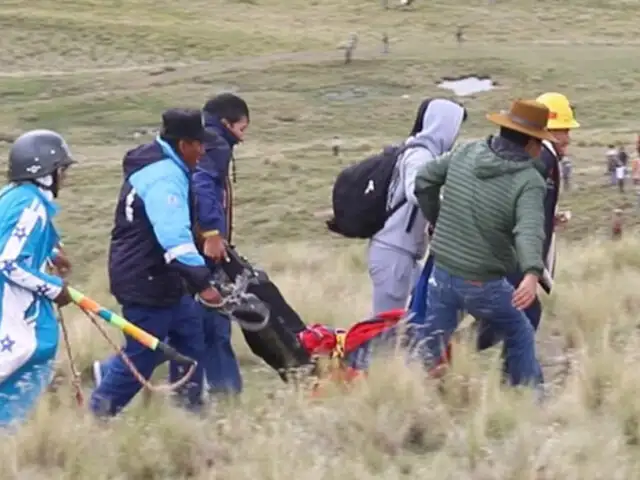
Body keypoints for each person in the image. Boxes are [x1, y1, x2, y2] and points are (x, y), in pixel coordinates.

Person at [90, 109, 222, 417]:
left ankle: (189, 412)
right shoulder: (164, 177)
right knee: (145, 353)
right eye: (198, 144)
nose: (202, 151)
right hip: (144, 279)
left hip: (163, 278)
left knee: (190, 337)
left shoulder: (166, 166)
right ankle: (98, 413)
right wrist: (203, 283)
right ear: (183, 144)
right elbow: (173, 237)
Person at [413, 99, 551, 387]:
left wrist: (437, 218)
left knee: (432, 341)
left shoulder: (466, 151)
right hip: (481, 281)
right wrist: (531, 272)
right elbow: (528, 230)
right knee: (519, 329)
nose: (540, 149)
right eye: (540, 141)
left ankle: (408, 391)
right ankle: (532, 400)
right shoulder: (528, 180)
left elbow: (424, 179)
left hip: (442, 269)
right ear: (529, 143)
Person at [476, 92, 579, 354]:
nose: (568, 138)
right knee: (523, 312)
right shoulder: (543, 160)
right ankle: (509, 374)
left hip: (502, 249)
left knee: (508, 314)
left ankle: (460, 352)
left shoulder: (534, 156)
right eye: (563, 130)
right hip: (514, 255)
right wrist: (530, 269)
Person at [0, 130, 76, 426]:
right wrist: (54, 288)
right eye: (62, 170)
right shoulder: (30, 207)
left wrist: (53, 254)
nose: (65, 177)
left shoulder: (14, 196)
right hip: (12, 302)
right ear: (46, 172)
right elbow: (8, 261)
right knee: (33, 350)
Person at [368, 98, 466, 315]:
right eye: (455, 128)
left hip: (400, 254)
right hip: (394, 255)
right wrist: (446, 212)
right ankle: (364, 349)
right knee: (385, 328)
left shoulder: (419, 151)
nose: (455, 136)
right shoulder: (420, 155)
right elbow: (417, 191)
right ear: (443, 125)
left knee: (422, 309)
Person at [192, 93, 249, 395]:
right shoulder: (216, 144)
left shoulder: (201, 139)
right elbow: (202, 186)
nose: (243, 137)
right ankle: (227, 392)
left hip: (187, 248)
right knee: (213, 322)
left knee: (188, 323)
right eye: (242, 129)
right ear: (227, 123)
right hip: (202, 250)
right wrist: (213, 233)